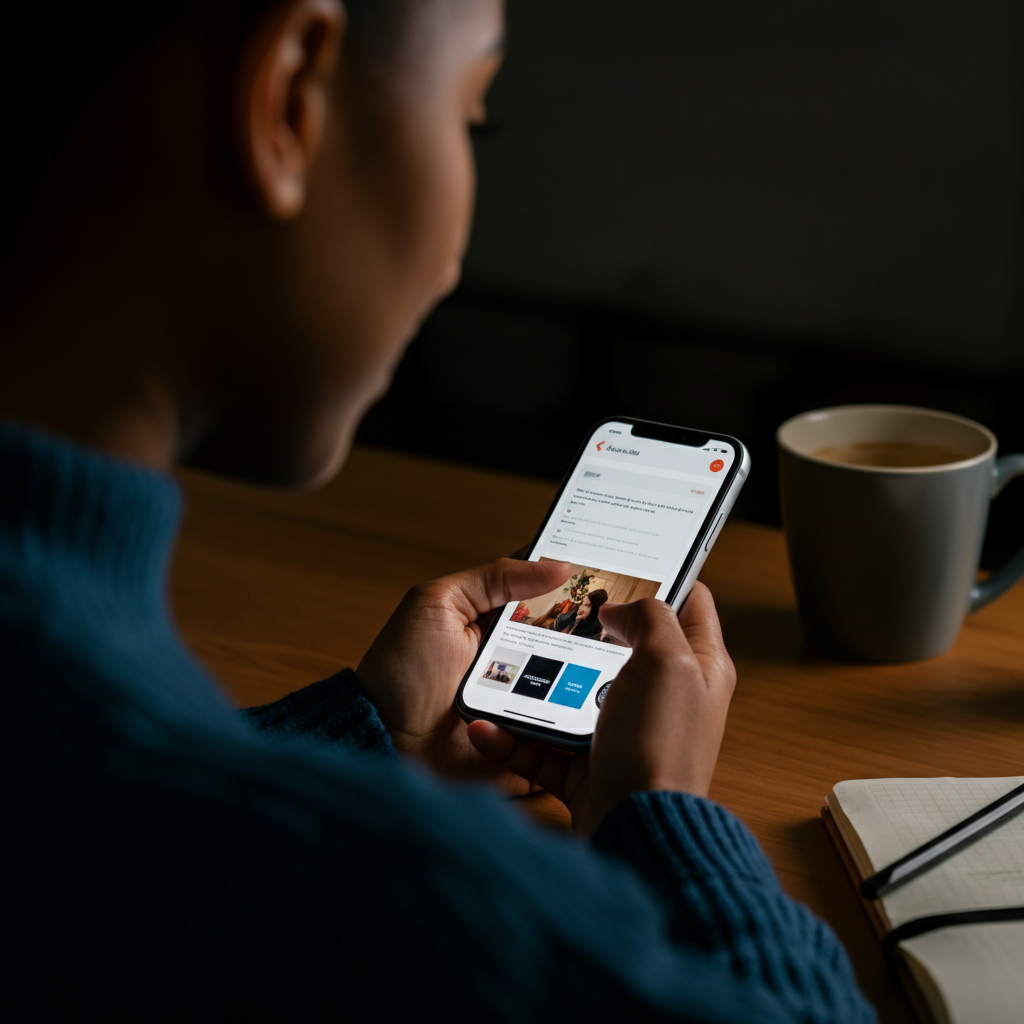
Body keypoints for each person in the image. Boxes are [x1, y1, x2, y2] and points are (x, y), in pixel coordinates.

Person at [0, 1, 876, 1019]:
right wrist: (665, 811)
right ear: (288, 98)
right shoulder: (396, 901)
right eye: (471, 116)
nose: (458, 258)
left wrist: (363, 727)